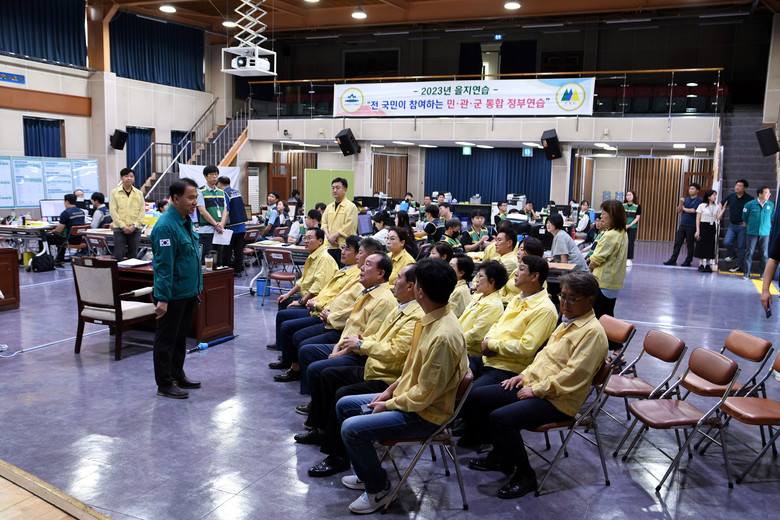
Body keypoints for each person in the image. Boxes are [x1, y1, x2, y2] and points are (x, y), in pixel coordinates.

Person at [334, 258, 468, 514]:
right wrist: (389, 390)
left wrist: (389, 404)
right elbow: (412, 369)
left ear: (420, 292)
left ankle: (378, 488)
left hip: (425, 414)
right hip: (410, 399)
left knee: (351, 428)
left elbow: (424, 395)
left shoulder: (443, 335)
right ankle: (366, 472)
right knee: (344, 405)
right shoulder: (429, 318)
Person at [464, 272, 607, 499]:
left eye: (572, 299)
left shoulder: (592, 333)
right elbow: (543, 357)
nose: (565, 303)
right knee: (479, 396)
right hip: (536, 386)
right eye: (563, 296)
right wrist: (523, 376)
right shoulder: (568, 321)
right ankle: (502, 455)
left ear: (590, 300)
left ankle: (525, 475)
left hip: (557, 399)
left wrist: (535, 389)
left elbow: (572, 376)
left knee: (501, 418)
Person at [297, 264, 424, 478]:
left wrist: (360, 345)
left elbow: (395, 351)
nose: (394, 281)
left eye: (399, 278)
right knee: (328, 375)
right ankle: (320, 430)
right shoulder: (401, 307)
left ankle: (338, 456)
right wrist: (360, 340)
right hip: (373, 366)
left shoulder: (414, 315)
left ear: (411, 286)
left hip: (387, 376)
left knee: (341, 393)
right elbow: (379, 335)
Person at [294, 253, 398, 395]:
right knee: (306, 350)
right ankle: (314, 398)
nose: (361, 267)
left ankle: (318, 403)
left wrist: (338, 354)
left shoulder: (383, 301)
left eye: (367, 265)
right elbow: (350, 323)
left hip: (359, 354)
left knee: (316, 367)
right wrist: (337, 347)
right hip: (343, 341)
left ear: (380, 273)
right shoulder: (367, 291)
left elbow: (364, 339)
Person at [150, 178, 203, 399]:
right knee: (166, 340)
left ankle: (177, 375)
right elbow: (164, 266)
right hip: (172, 295)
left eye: (196, 197)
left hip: (187, 292)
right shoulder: (166, 226)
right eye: (190, 198)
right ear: (175, 198)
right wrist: (162, 298)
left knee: (180, 337)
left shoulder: (185, 221)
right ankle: (164, 383)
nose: (195, 202)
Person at [587, 200, 628, 355]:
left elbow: (596, 260)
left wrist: (590, 267)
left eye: (604, 213)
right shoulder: (622, 233)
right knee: (606, 317)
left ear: (613, 215)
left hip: (602, 281)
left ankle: (594, 352)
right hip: (614, 283)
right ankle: (618, 352)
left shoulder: (610, 235)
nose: (601, 216)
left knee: (593, 318)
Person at [459, 260, 508, 378]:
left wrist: (453, 342)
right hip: (459, 344)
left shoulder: (493, 305)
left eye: (480, 276)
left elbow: (476, 335)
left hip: (468, 353)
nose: (476, 279)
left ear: (492, 281)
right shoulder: (479, 297)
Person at [276, 227, 338, 309]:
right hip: (306, 297)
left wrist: (301, 301)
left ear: (320, 241)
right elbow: (303, 281)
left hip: (315, 302)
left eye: (309, 238)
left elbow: (317, 287)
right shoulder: (313, 256)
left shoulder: (325, 259)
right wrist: (288, 294)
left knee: (285, 313)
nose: (305, 241)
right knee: (283, 301)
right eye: (304, 238)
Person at [109, 167, 145, 261]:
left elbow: (142, 211)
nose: (129, 178)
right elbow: (113, 211)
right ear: (121, 178)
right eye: (126, 176)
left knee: (133, 257)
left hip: (135, 229)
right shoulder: (114, 192)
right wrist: (123, 226)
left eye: (131, 176)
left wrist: (135, 225)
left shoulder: (139, 193)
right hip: (119, 229)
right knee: (119, 256)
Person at [196, 165, 229, 264]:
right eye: (211, 174)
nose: (214, 176)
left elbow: (225, 209)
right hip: (206, 231)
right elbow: (202, 211)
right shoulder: (200, 191)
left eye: (216, 174)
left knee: (218, 260)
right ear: (205, 176)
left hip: (219, 231)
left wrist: (221, 224)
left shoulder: (221, 192)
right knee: (207, 259)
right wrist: (215, 224)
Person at [322, 178, 359, 266]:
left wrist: (334, 236)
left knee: (343, 270)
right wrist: (329, 237)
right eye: (333, 188)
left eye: (338, 188)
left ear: (345, 189)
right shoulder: (329, 207)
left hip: (344, 246)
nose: (334, 190)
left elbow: (349, 225)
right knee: (331, 270)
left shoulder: (351, 206)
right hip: (330, 246)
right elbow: (324, 223)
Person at [216, 176, 248, 276]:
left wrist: (222, 225)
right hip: (241, 226)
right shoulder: (237, 192)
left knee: (227, 251)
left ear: (219, 184)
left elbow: (226, 211)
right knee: (239, 250)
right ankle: (238, 271)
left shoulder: (224, 193)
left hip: (231, 227)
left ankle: (227, 272)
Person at [664, 183, 701, 267]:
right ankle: (673, 259)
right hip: (683, 224)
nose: (690, 190)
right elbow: (678, 210)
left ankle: (688, 261)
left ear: (697, 191)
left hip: (691, 225)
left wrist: (684, 208)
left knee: (690, 244)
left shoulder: (699, 200)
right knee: (678, 242)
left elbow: (693, 210)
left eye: (693, 189)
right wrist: (681, 203)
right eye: (690, 189)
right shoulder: (686, 199)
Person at [499, 236, 545, 305]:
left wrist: (500, 299)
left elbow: (527, 300)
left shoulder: (537, 278)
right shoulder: (516, 270)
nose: (518, 252)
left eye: (522, 250)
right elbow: (503, 288)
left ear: (533, 252)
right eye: (518, 249)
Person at [720, 179, 753, 272]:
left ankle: (738, 266)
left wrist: (748, 221)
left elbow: (753, 211)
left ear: (744, 188)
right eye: (736, 185)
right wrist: (720, 210)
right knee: (727, 242)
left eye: (740, 186)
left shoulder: (749, 199)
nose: (737, 187)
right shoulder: (731, 196)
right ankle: (732, 254)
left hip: (743, 226)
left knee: (741, 246)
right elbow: (721, 203)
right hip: (732, 225)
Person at [742, 186, 775, 279]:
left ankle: (763, 274)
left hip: (765, 233)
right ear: (760, 194)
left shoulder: (771, 205)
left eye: (769, 193)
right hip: (752, 232)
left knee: (764, 254)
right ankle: (746, 273)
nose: (769, 195)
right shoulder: (749, 204)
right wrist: (751, 224)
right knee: (749, 253)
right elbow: (744, 216)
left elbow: (771, 215)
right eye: (766, 193)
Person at [46, 193, 86, 266]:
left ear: (67, 202)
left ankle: (46, 260)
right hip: (79, 239)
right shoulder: (81, 212)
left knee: (46, 237)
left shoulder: (65, 213)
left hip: (68, 240)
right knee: (62, 236)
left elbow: (59, 230)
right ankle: (59, 259)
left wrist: (51, 231)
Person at [694, 189, 720, 273]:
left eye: (715, 195)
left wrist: (722, 209)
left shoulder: (716, 206)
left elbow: (718, 218)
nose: (715, 197)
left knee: (710, 245)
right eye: (713, 195)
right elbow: (698, 218)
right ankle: (701, 264)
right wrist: (698, 230)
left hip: (711, 227)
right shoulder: (702, 206)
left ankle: (708, 264)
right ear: (709, 197)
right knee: (701, 244)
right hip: (703, 226)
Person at [623, 191, 641, 266]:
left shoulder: (637, 206)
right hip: (623, 227)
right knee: (622, 243)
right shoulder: (623, 205)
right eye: (627, 195)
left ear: (633, 196)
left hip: (632, 227)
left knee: (630, 243)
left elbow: (637, 217)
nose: (628, 196)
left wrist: (629, 225)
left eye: (630, 195)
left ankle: (629, 259)